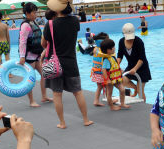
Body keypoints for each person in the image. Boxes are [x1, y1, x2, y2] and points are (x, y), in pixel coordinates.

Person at [42, 0, 93, 129]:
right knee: (77, 92)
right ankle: (86, 119)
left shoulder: (50, 24)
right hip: (71, 62)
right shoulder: (75, 21)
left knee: (57, 94)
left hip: (54, 63)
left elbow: (44, 44)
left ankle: (62, 122)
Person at [19, 2, 53, 107]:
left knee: (44, 75)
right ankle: (31, 101)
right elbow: (22, 42)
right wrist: (22, 57)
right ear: (27, 13)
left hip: (36, 55)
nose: (36, 14)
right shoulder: (25, 25)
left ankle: (44, 96)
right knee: (30, 79)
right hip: (29, 57)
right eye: (34, 12)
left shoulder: (34, 22)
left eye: (36, 12)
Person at [117, 23, 151, 100]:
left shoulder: (139, 42)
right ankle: (135, 88)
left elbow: (142, 58)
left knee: (140, 91)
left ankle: (143, 107)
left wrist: (135, 69)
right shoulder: (121, 41)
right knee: (122, 81)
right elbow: (119, 56)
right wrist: (116, 65)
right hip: (130, 66)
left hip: (142, 68)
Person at [100, 39, 130, 111]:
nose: (114, 48)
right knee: (109, 94)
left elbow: (115, 66)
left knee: (122, 90)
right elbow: (103, 70)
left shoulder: (113, 57)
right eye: (113, 47)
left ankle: (122, 103)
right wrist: (107, 79)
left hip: (116, 78)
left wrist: (121, 71)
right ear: (108, 50)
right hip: (110, 79)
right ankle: (112, 107)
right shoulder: (106, 60)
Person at [90, 32, 109, 106]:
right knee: (107, 86)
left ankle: (97, 100)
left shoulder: (95, 49)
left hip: (96, 72)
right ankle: (108, 99)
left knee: (99, 87)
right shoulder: (102, 51)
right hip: (101, 73)